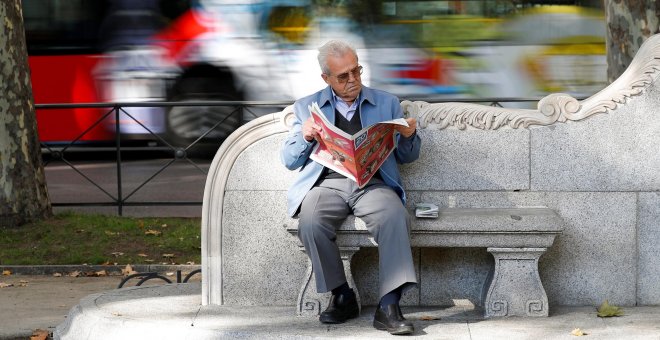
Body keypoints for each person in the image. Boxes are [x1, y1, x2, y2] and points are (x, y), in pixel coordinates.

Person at [280, 40, 421, 335]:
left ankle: (389, 305)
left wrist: (408, 136)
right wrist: (305, 137)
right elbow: (290, 161)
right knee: (311, 221)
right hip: (327, 183)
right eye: (343, 76)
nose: (353, 80)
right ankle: (342, 295)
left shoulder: (387, 103)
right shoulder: (308, 106)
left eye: (356, 71)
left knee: (394, 216)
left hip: (373, 183)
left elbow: (407, 157)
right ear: (326, 79)